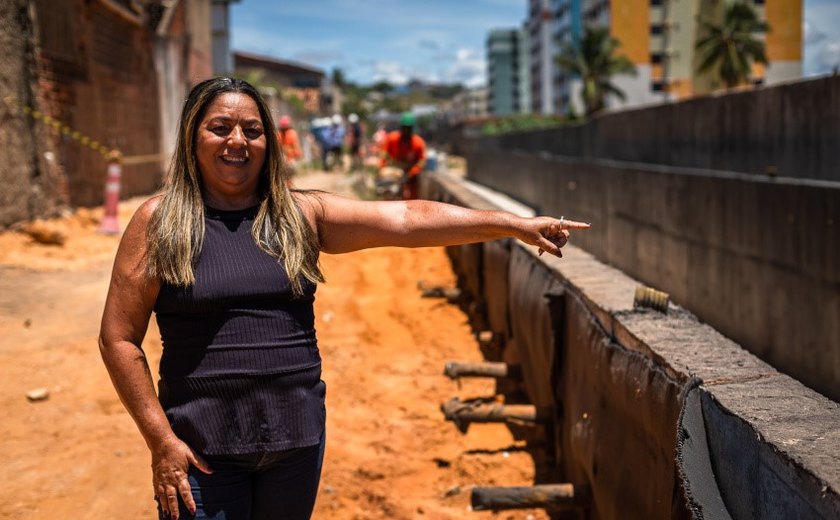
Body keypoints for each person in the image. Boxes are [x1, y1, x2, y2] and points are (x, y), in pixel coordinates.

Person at [98, 77, 589, 520]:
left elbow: (407, 219)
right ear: (192, 137)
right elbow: (119, 338)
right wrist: (160, 441)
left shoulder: (298, 215)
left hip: (296, 445)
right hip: (200, 452)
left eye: (251, 130)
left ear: (269, 142)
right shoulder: (159, 222)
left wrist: (514, 225)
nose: (237, 141)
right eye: (220, 127)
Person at [380, 112, 426, 200]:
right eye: (404, 128)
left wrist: (411, 173)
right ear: (401, 128)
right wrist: (382, 168)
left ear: (412, 129)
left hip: (411, 174)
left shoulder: (418, 143)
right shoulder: (392, 139)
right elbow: (383, 153)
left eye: (408, 128)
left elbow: (422, 161)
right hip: (394, 172)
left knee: (412, 197)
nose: (406, 131)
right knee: (388, 193)